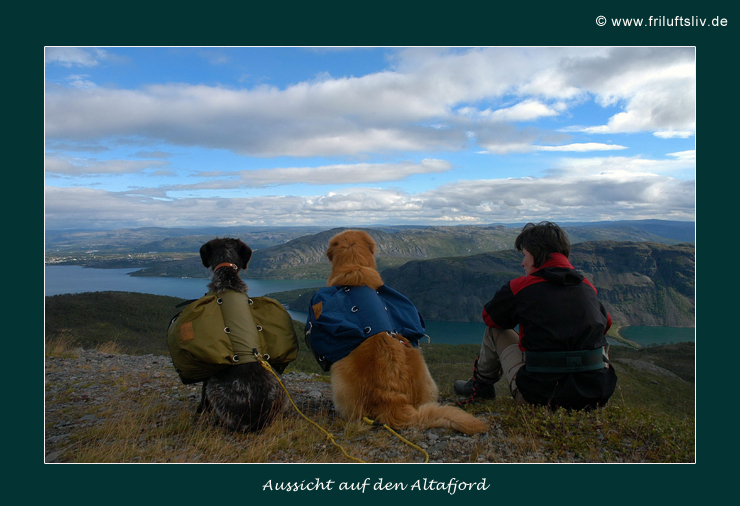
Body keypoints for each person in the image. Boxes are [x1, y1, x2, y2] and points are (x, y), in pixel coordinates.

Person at [454, 221, 617, 410]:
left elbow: (490, 318)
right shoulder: (586, 286)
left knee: (494, 331)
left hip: (537, 397)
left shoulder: (520, 287)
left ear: (536, 254)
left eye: (524, 255)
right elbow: (606, 324)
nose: (522, 262)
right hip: (594, 397)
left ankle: (481, 386)